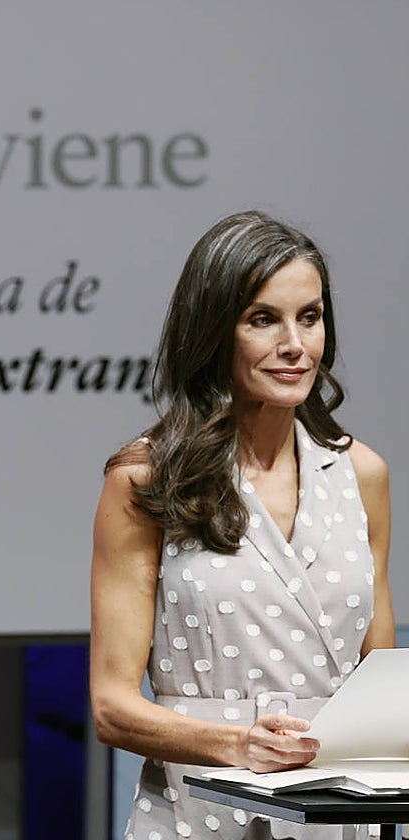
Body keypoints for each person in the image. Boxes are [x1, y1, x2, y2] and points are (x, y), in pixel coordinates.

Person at [89, 210, 393, 839]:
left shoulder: (361, 474)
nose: (295, 344)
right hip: (200, 814)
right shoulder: (147, 478)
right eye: (263, 319)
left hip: (337, 817)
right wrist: (237, 744)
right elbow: (111, 708)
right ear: (213, 331)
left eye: (310, 317)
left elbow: (381, 688)